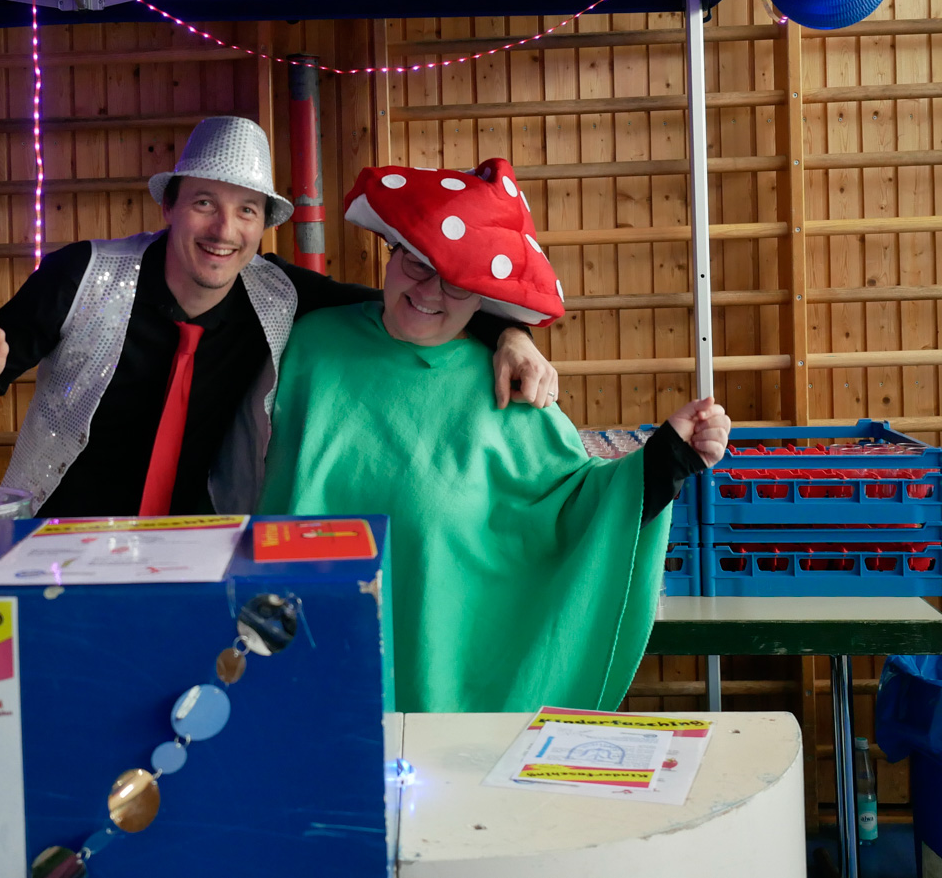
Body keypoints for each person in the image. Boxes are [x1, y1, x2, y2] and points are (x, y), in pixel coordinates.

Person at [256, 157, 732, 713]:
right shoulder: (308, 342)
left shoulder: (508, 388)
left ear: (483, 295)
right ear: (392, 250)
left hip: (430, 677)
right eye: (417, 260)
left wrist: (668, 457)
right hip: (290, 648)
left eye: (459, 282)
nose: (430, 289)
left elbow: (576, 508)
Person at [0, 117, 558, 518]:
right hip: (63, 541)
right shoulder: (80, 274)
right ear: (170, 205)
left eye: (247, 211)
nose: (224, 230)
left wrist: (508, 332)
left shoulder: (279, 292)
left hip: (204, 551)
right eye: (205, 202)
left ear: (263, 226)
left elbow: (407, 300)